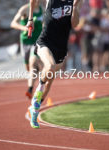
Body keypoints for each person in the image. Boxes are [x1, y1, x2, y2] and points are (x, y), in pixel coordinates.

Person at [27, 0, 81, 128]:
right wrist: (30, 19)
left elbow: (75, 24)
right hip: (45, 41)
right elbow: (33, 1)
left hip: (61, 48)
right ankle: (37, 94)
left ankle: (34, 108)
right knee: (49, 67)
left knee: (48, 85)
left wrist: (74, 6)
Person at [11, 0, 43, 99]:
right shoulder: (25, 9)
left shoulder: (43, 10)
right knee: (29, 68)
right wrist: (25, 28)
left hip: (37, 42)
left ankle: (30, 88)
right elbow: (13, 23)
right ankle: (33, 82)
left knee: (33, 62)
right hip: (26, 41)